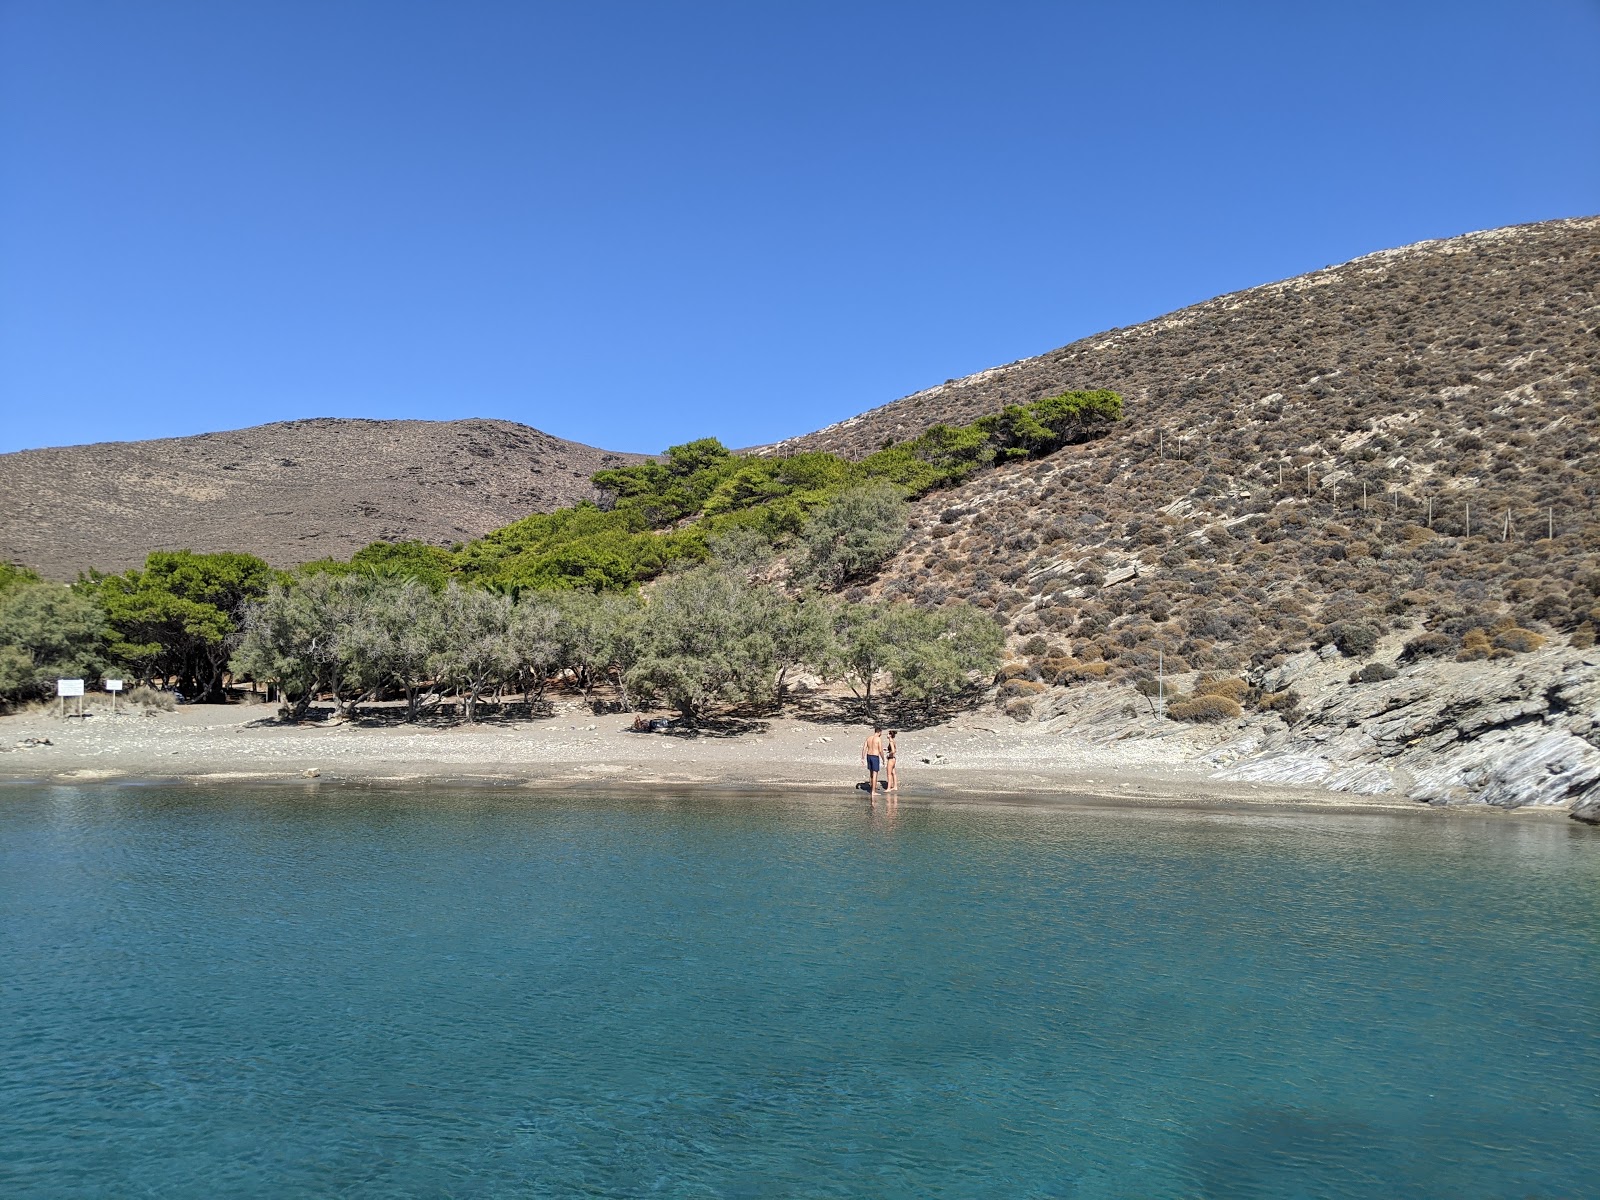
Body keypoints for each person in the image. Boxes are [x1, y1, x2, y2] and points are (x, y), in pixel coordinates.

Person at [861, 725, 884, 795]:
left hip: (869, 755)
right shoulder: (878, 739)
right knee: (875, 774)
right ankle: (873, 791)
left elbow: (864, 747)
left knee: (871, 773)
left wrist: (862, 758)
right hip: (875, 756)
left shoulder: (869, 738)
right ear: (879, 732)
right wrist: (883, 758)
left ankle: (872, 787)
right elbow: (880, 750)